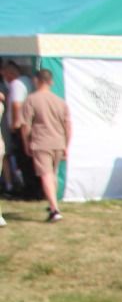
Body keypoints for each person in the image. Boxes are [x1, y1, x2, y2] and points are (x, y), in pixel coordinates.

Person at [18, 67, 68, 222]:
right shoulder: (60, 101)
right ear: (51, 82)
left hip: (41, 141)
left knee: (45, 174)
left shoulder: (31, 99)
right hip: (58, 141)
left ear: (36, 81)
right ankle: (53, 203)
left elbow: (25, 124)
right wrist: (67, 144)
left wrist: (26, 142)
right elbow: (68, 125)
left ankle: (54, 209)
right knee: (52, 174)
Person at [1, 60, 29, 197]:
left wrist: (15, 122)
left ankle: (13, 185)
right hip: (12, 127)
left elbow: (16, 105)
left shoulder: (16, 85)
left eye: (5, 73)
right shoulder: (24, 83)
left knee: (11, 156)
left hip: (12, 127)